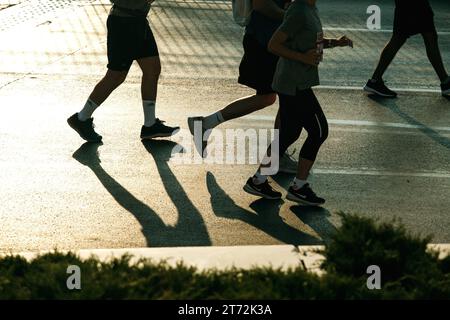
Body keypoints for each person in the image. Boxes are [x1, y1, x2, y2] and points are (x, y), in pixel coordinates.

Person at [243, 0, 353, 205]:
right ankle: (299, 186)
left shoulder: (310, 8)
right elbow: (274, 45)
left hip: (296, 81)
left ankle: (258, 180)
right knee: (319, 131)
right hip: (293, 83)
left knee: (289, 133)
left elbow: (310, 41)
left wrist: (334, 43)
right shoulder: (300, 10)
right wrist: (303, 58)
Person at [187, 0, 298, 173]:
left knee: (269, 97)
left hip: (269, 39)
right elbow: (261, 4)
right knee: (287, 96)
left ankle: (206, 123)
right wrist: (292, 16)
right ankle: (276, 156)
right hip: (266, 41)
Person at [68, 0, 179, 143]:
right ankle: (81, 118)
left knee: (152, 68)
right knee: (116, 75)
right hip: (123, 23)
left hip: (138, 21)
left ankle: (150, 124)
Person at [364, 0, 450, 97]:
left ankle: (375, 80)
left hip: (408, 4)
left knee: (404, 37)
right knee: (425, 36)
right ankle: (445, 81)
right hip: (414, 4)